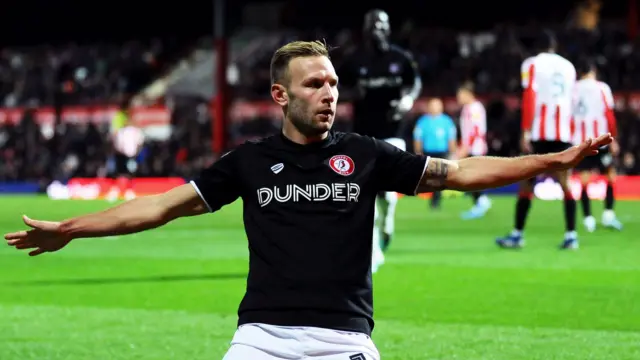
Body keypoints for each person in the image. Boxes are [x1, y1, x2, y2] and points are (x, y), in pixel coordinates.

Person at [5, 40, 612, 360]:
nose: (329, 93)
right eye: (314, 83)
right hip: (262, 340)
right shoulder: (248, 162)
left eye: (334, 84)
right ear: (280, 93)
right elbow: (158, 207)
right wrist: (74, 229)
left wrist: (550, 161)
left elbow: (460, 172)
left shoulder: (368, 154)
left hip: (345, 342)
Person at [339, 9, 422, 271]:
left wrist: (408, 100)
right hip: (363, 136)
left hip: (394, 134)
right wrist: (352, 92)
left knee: (387, 195)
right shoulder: (354, 60)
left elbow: (415, 82)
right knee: (367, 196)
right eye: (372, 25)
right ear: (365, 29)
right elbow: (336, 87)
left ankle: (388, 222)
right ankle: (373, 252)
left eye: (381, 25)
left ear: (388, 28)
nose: (377, 30)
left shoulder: (400, 58)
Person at [496, 30, 581, 250]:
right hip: (563, 132)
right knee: (566, 183)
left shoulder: (532, 64)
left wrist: (525, 130)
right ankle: (571, 235)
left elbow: (530, 97)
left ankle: (517, 234)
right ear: (555, 47)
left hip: (540, 132)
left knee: (526, 181)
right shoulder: (569, 67)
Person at [571, 57, 623, 232]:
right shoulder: (602, 88)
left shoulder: (573, 89)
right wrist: (613, 138)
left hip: (581, 141)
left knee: (584, 179)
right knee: (610, 174)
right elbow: (609, 115)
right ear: (593, 70)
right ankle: (608, 215)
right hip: (600, 140)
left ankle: (588, 219)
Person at [455, 82, 492, 219]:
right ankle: (479, 202)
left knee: (473, 177)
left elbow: (475, 130)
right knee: (470, 177)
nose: (458, 98)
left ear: (467, 94)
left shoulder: (475, 108)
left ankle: (481, 202)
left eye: (460, 95)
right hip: (470, 146)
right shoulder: (467, 108)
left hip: (476, 148)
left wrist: (465, 147)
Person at [413, 98, 457, 209]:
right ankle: (429, 197)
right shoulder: (422, 122)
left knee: (439, 178)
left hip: (442, 152)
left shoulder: (447, 121)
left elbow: (451, 138)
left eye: (437, 105)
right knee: (429, 177)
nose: (434, 108)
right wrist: (418, 152)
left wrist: (453, 153)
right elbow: (418, 138)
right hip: (428, 153)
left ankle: (435, 201)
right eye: (432, 105)